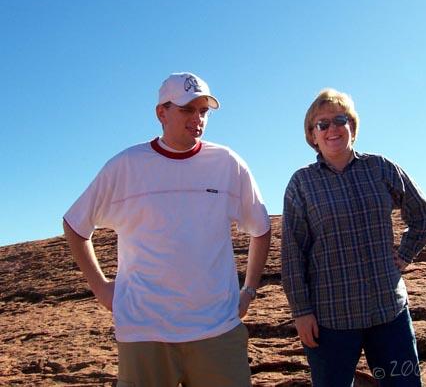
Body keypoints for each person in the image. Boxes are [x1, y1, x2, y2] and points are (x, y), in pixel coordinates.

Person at [63, 72, 271, 387]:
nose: (198, 118)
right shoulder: (127, 165)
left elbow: (261, 228)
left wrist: (249, 291)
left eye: (204, 111)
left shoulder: (228, 164)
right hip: (144, 332)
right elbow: (76, 224)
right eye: (187, 109)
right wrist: (103, 288)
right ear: (162, 112)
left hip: (216, 330)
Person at [281, 88, 426, 387]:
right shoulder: (302, 183)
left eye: (339, 120)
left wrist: (404, 255)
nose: (332, 129)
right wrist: (301, 312)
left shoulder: (379, 167)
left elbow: (423, 214)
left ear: (352, 125)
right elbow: (292, 253)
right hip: (330, 321)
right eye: (322, 124)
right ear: (312, 135)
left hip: (388, 311)